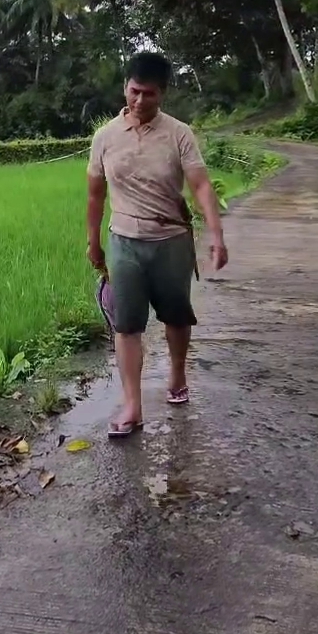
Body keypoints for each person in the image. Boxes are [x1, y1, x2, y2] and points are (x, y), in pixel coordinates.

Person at [86, 52, 228, 438]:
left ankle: (177, 374)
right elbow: (96, 195)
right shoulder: (105, 137)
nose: (140, 101)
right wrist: (93, 242)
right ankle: (132, 405)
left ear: (162, 93)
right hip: (124, 242)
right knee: (127, 324)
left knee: (176, 316)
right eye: (134, 91)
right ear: (125, 87)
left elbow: (200, 184)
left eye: (149, 94)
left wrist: (216, 234)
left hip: (171, 240)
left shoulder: (179, 134)